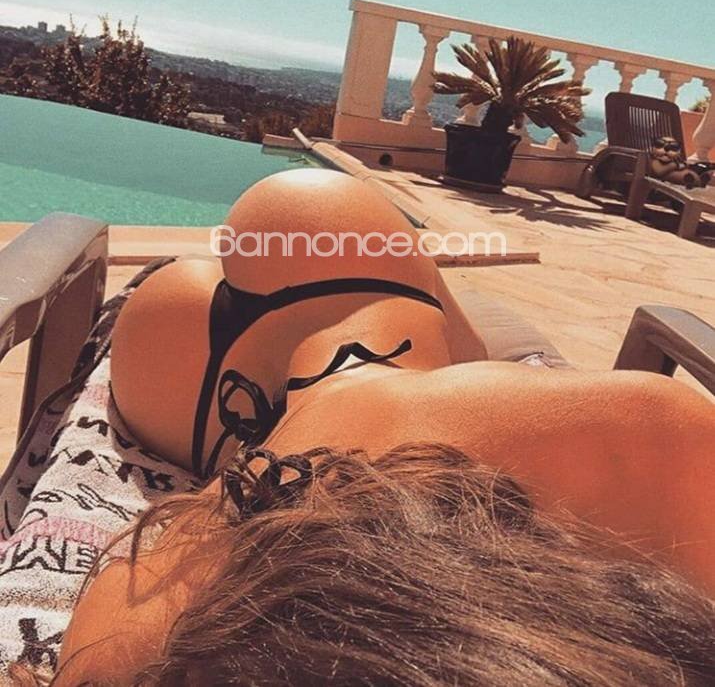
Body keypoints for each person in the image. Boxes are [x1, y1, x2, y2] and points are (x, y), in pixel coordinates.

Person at [18, 169, 715, 685]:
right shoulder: (138, 637)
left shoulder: (138, 632)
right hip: (247, 439)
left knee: (296, 214)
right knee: (292, 230)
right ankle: (414, 340)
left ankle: (417, 341)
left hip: (273, 412)